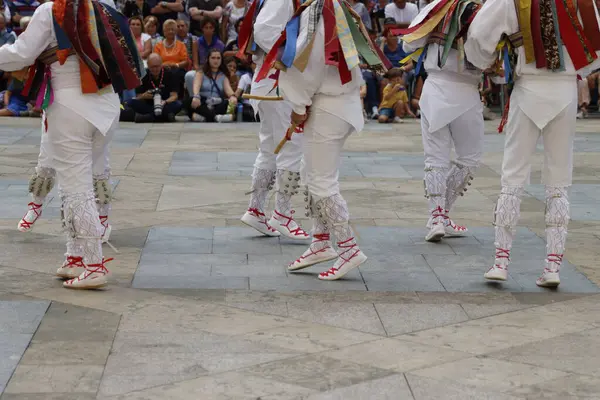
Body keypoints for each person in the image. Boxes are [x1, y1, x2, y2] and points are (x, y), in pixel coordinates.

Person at [0, 0, 143, 289]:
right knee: (75, 183)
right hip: (106, 104)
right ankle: (74, 256)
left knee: (76, 187)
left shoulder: (51, 10)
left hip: (70, 103)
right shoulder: (104, 8)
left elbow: (20, 54)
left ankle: (93, 264)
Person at [464, 0, 600, 287]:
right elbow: (595, 39)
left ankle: (501, 261)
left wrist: (484, 61)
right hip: (565, 92)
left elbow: (478, 35)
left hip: (528, 91)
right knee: (559, 180)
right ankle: (553, 266)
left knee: (512, 177)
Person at [254, 0, 387, 279]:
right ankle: (320, 241)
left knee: (321, 181)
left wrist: (298, 106)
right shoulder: (333, 7)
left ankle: (348, 249)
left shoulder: (319, 9)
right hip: (337, 102)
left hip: (328, 104)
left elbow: (309, 61)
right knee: (311, 172)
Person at [401, 0, 483, 242]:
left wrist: (432, 35)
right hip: (466, 90)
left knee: (436, 157)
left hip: (437, 87)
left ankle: (437, 216)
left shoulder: (435, 7)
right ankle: (441, 214)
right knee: (469, 158)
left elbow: (409, 44)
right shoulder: (484, 9)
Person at [236, 0, 309, 240]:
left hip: (270, 81)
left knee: (269, 147)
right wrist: (293, 55)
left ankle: (256, 209)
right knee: (291, 146)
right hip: (277, 81)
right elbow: (264, 30)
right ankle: (282, 213)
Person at [129, 53, 182, 122]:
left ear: (161, 64)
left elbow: (174, 96)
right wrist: (144, 95)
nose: (155, 69)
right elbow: (138, 97)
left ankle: (147, 117)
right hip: (149, 105)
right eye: (152, 67)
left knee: (178, 104)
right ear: (148, 65)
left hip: (164, 105)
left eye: (157, 66)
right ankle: (165, 117)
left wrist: (165, 102)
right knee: (131, 102)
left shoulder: (170, 74)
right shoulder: (143, 75)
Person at [188, 48, 237, 122]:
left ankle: (204, 118)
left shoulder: (223, 76)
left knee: (229, 102)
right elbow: (196, 86)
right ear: (208, 59)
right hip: (203, 102)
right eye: (213, 58)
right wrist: (196, 96)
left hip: (216, 103)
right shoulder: (201, 73)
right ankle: (216, 118)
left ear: (221, 60)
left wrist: (233, 97)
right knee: (188, 101)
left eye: (218, 58)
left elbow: (229, 91)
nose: (216, 60)